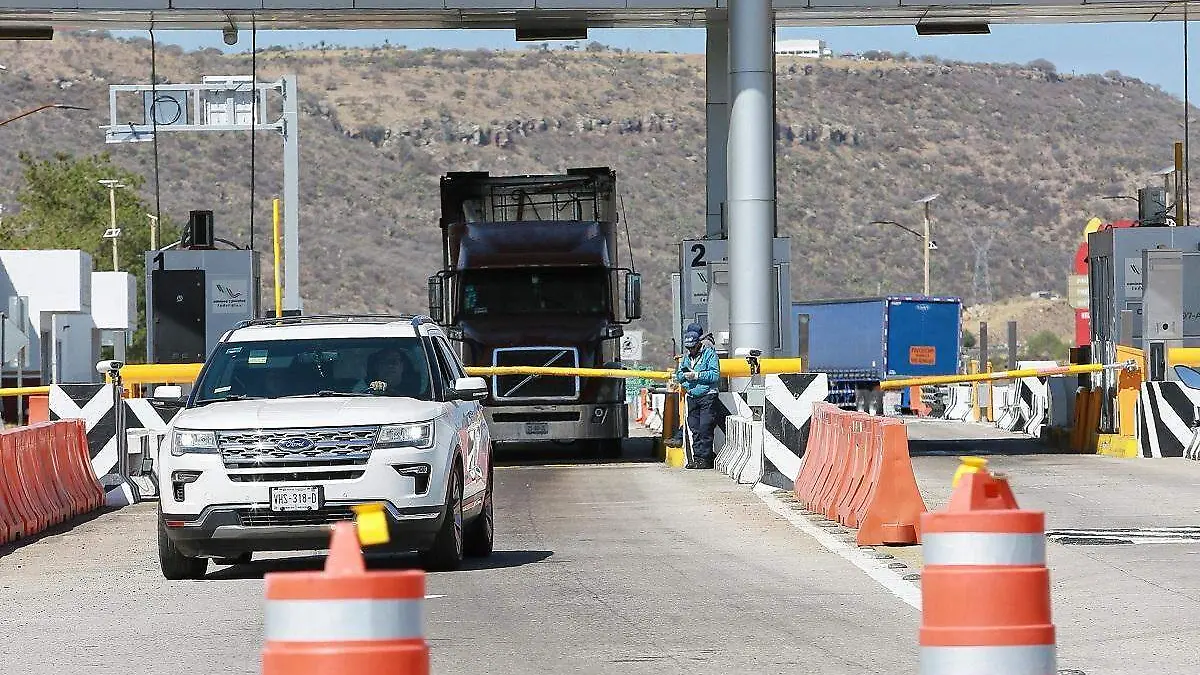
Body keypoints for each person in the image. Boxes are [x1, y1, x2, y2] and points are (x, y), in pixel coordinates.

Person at [675, 327, 721, 469]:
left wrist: (697, 375)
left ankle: (705, 458)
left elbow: (715, 375)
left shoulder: (709, 355)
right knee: (695, 428)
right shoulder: (686, 358)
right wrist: (685, 378)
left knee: (705, 427)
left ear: (698, 344)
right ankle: (697, 458)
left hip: (708, 396)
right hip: (692, 396)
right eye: (688, 348)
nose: (691, 350)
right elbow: (679, 376)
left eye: (693, 347)